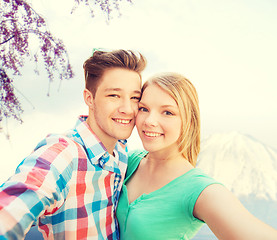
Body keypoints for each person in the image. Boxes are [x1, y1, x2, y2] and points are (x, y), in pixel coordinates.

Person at [0, 49, 146, 239]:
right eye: (114, 96)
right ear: (89, 98)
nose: (127, 109)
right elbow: (14, 205)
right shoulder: (65, 153)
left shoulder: (121, 153)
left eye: (134, 98)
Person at [116, 72, 277, 240]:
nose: (149, 120)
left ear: (189, 121)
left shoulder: (199, 190)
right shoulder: (127, 161)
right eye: (144, 109)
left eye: (168, 112)